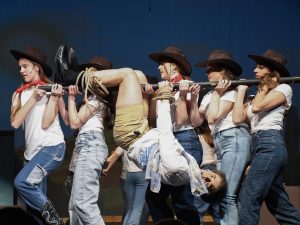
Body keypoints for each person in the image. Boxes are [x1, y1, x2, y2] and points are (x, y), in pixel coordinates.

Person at [57, 45, 227, 206]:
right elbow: (155, 122)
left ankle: (71, 77)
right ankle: (81, 77)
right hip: (142, 131)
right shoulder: (188, 169)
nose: (207, 177)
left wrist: (164, 97)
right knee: (139, 76)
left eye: (209, 184)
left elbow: (165, 132)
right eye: (212, 176)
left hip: (133, 133)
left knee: (128, 75)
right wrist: (154, 98)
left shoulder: (180, 168)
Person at [232, 49, 300, 225]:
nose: (254, 71)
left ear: (271, 72)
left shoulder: (284, 88)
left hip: (270, 144)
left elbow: (256, 108)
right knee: (279, 205)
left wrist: (262, 89)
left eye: (260, 67)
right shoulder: (257, 95)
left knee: (247, 199)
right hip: (259, 147)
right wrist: (240, 92)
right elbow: (238, 118)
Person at [190, 50, 251, 225]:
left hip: (234, 139)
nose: (207, 73)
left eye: (211, 70)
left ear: (223, 71)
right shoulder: (209, 95)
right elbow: (196, 121)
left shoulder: (231, 92)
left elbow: (213, 117)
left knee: (226, 195)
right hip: (221, 143)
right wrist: (193, 99)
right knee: (221, 196)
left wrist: (217, 94)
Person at [145, 46, 203, 225]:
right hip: (168, 140)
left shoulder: (187, 85)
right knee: (154, 197)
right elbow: (154, 119)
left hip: (186, 141)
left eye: (163, 63)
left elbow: (180, 120)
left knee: (183, 201)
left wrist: (182, 93)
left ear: (175, 66)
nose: (158, 67)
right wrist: (153, 96)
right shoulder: (167, 87)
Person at [10, 46, 67, 225]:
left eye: (25, 66)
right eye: (19, 67)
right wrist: (33, 98)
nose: (21, 71)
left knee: (21, 183)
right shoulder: (18, 95)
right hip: (31, 155)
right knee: (35, 210)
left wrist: (55, 98)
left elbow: (46, 123)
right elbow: (15, 123)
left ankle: (56, 221)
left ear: (36, 67)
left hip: (51, 148)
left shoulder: (51, 90)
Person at [66, 56, 114, 225]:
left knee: (83, 204)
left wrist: (71, 99)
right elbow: (70, 120)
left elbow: (74, 122)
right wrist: (59, 98)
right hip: (84, 144)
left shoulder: (97, 99)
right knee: (74, 207)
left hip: (90, 144)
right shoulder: (92, 99)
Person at [103, 146, 149, 225]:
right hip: (141, 177)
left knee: (130, 207)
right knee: (142, 208)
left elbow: (113, 157)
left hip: (126, 177)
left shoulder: (124, 143)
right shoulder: (143, 141)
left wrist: (107, 168)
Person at [194, 120, 220, 225]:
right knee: (217, 210)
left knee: (198, 209)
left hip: (204, 170)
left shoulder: (197, 136)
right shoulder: (212, 135)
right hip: (215, 170)